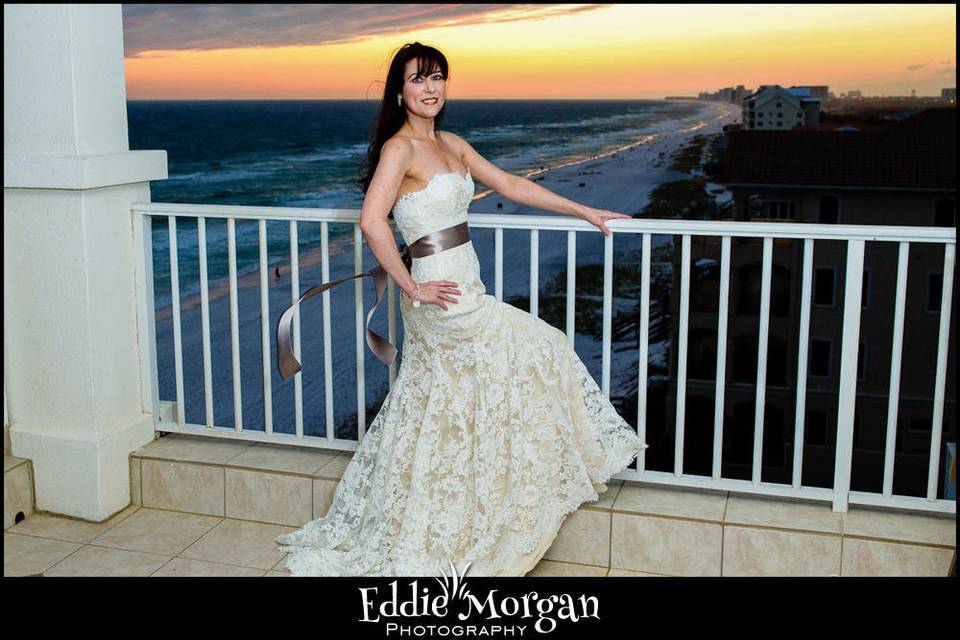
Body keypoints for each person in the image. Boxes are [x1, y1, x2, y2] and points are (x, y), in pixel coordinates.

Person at [275, 42, 647, 577]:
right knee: (541, 346)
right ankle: (508, 490)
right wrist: (410, 287)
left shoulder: (451, 142)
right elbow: (372, 222)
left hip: (466, 284)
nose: (430, 88)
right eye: (418, 79)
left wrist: (584, 210)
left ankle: (465, 501)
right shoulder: (398, 150)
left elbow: (511, 185)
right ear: (399, 91)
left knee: (450, 396)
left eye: (438, 78)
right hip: (438, 294)